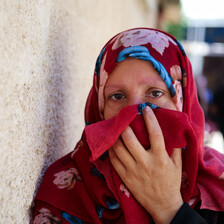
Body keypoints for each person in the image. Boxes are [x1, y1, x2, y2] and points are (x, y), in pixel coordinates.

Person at [32, 28, 224, 224]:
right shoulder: (68, 190)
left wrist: (170, 209)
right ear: (99, 110)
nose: (134, 113)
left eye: (155, 93)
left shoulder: (217, 185)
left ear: (182, 102)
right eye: (117, 96)